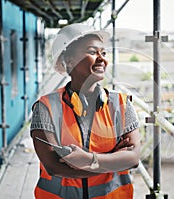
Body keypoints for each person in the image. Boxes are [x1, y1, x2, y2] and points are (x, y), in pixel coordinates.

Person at [30, 23, 141, 199]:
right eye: (92, 51)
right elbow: (53, 166)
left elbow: (133, 158)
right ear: (70, 61)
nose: (102, 58)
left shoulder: (121, 104)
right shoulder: (46, 108)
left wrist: (87, 160)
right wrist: (111, 160)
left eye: (103, 53)